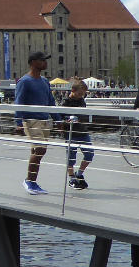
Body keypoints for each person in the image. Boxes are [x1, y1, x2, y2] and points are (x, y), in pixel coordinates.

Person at [15, 51, 57, 194]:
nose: (45, 63)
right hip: (31, 120)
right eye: (42, 60)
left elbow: (51, 102)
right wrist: (18, 122)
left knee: (37, 150)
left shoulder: (45, 81)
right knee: (40, 149)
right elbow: (18, 102)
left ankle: (32, 181)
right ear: (33, 62)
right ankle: (30, 181)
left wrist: (58, 119)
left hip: (45, 120)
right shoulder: (24, 81)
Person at [61, 77, 94, 189]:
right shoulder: (65, 103)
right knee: (71, 157)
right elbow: (61, 118)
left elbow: (83, 114)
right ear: (73, 91)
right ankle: (71, 179)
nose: (82, 96)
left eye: (83, 94)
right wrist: (67, 121)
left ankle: (79, 174)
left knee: (89, 154)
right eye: (80, 93)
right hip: (71, 133)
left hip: (83, 131)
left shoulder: (81, 101)